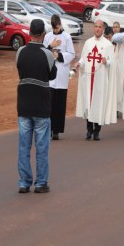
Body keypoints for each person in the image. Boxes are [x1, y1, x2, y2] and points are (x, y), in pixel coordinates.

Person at [16, 19, 57, 193]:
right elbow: (52, 75)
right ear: (43, 34)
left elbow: (20, 71)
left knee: (24, 147)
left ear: (30, 32)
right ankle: (41, 183)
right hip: (41, 106)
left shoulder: (20, 51)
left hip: (24, 104)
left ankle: (24, 183)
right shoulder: (47, 54)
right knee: (41, 148)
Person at [76, 19, 116, 140]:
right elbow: (84, 58)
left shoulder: (108, 45)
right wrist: (79, 63)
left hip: (100, 79)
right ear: (94, 28)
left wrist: (106, 61)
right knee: (88, 103)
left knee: (98, 104)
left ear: (103, 29)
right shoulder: (88, 43)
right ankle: (89, 129)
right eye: (96, 26)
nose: (97, 29)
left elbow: (112, 62)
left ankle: (97, 130)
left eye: (100, 27)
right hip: (88, 77)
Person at [43, 14, 75, 141]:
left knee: (59, 104)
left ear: (60, 25)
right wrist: (50, 46)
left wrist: (59, 56)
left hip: (61, 73)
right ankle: (48, 129)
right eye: (54, 28)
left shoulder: (67, 37)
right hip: (50, 75)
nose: (56, 30)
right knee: (49, 104)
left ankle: (56, 130)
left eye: (57, 28)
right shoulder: (48, 36)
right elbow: (43, 52)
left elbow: (71, 54)